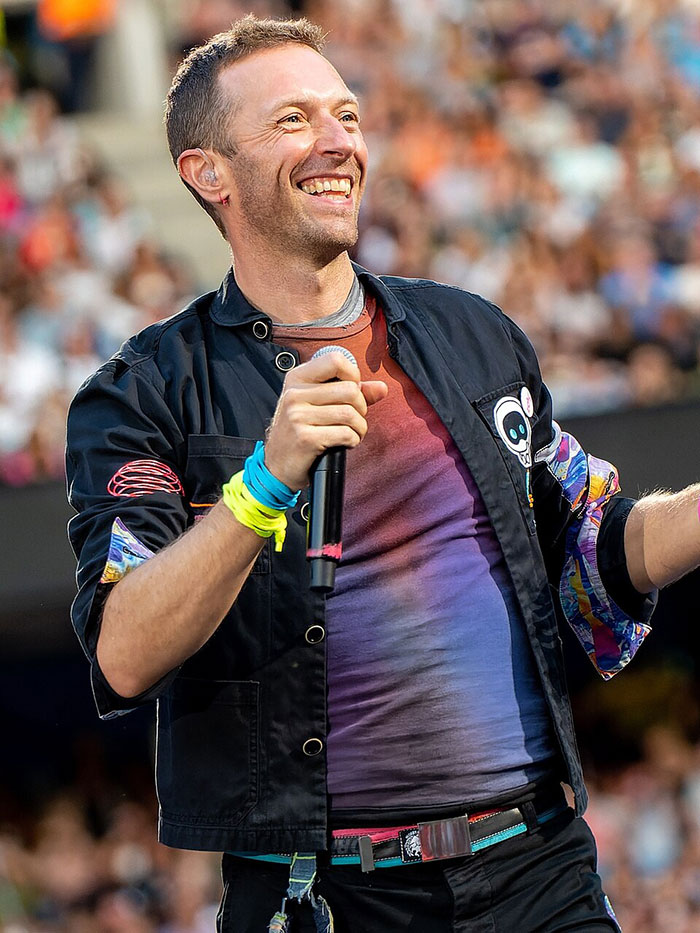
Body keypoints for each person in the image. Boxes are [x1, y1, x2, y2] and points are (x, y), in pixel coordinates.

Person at [65, 15, 699, 932]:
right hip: (317, 899)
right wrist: (263, 483)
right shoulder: (143, 395)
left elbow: (593, 541)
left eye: (346, 113)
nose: (337, 141)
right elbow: (122, 650)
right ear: (208, 174)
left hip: (538, 872)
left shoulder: (473, 336)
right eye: (292, 120)